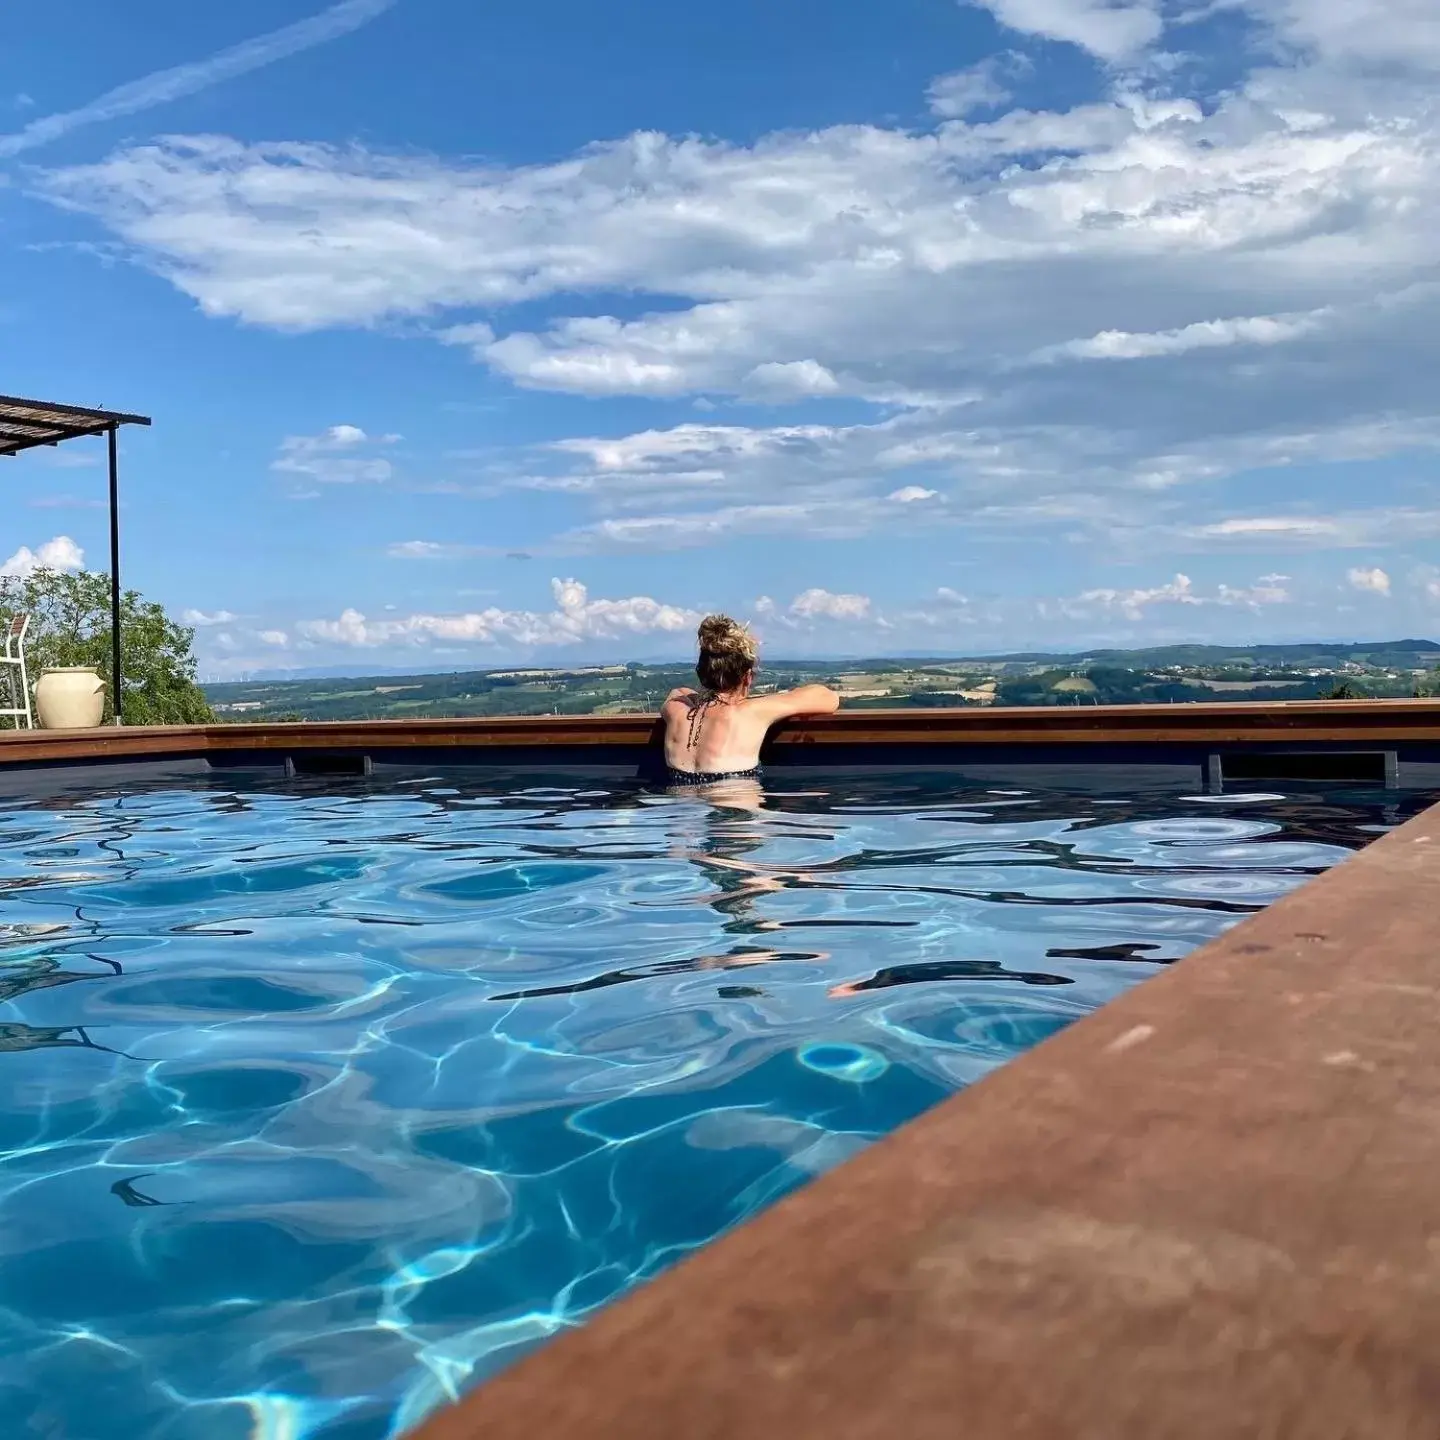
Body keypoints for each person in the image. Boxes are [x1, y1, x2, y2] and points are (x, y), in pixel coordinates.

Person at [661, 614, 840, 785]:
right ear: (747, 677)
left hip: (683, 808)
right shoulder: (752, 711)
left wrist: (706, 699)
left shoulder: (676, 711)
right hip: (735, 811)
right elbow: (829, 698)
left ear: (702, 674)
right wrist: (782, 696)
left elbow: (677, 692)